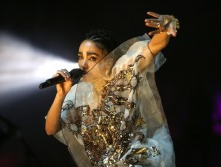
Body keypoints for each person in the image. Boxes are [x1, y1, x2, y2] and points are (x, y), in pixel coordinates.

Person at [44, 11, 179, 167]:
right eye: (80, 56)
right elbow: (51, 129)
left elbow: (156, 44)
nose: (83, 64)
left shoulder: (124, 70)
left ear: (109, 60)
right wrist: (61, 94)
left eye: (92, 57)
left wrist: (169, 24)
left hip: (136, 158)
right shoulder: (77, 93)